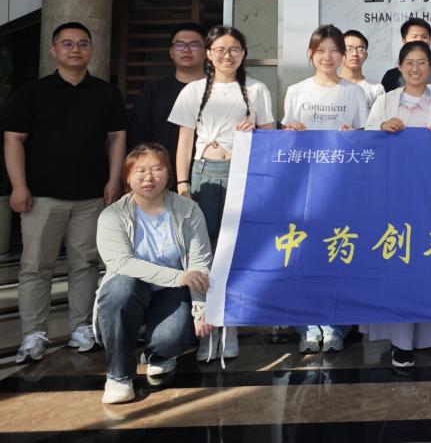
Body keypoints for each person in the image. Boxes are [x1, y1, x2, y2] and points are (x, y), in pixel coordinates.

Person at [3, 22, 128, 364]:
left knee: (85, 264)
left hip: (92, 196)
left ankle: (80, 327)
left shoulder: (106, 93)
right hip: (41, 196)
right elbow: (13, 139)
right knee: (35, 266)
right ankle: (33, 333)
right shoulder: (31, 93)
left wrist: (114, 180)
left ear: (91, 49)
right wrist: (19, 186)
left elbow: (117, 137)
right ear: (54, 49)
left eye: (83, 43)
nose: (76, 49)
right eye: (68, 43)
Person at [169, 25, 275, 361]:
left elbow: (271, 139)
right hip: (203, 174)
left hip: (242, 173)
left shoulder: (256, 89)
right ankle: (205, 326)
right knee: (204, 252)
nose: (227, 56)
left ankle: (230, 327)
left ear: (243, 54)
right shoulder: (194, 90)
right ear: (209, 54)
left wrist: (254, 131)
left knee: (235, 251)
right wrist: (182, 184)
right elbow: (185, 142)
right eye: (219, 49)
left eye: (234, 49)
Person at [94, 144, 213, 403]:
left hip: (171, 291)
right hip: (132, 286)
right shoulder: (112, 215)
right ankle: (118, 377)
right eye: (140, 171)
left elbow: (199, 263)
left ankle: (157, 354)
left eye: (157, 169)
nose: (149, 177)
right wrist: (179, 277)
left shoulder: (188, 210)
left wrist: (201, 308)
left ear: (168, 173)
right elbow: (122, 263)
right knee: (119, 289)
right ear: (127, 177)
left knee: (172, 338)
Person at [363, 41, 431, 367]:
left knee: (427, 263)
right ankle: (400, 343)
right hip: (392, 196)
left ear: (430, 67)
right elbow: (367, 144)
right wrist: (381, 129)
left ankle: (428, 336)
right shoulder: (384, 102)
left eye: (422, 63)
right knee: (397, 264)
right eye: (409, 63)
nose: (416, 69)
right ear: (400, 67)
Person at [282, 24, 367, 354]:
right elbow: (285, 141)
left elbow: (366, 142)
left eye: (335, 51)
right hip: (304, 186)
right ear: (311, 54)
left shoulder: (354, 93)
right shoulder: (296, 91)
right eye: (321, 51)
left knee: (339, 253)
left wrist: (353, 136)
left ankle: (336, 326)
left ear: (343, 55)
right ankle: (306, 325)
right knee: (303, 256)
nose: (328, 57)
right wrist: (292, 131)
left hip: (342, 186)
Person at [127, 22, 207, 187]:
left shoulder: (218, 90)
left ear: (207, 52)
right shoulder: (153, 90)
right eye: (180, 45)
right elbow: (138, 137)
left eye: (194, 45)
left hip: (209, 176)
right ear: (171, 52)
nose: (186, 50)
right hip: (159, 177)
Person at [380, 19, 431, 92]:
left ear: (430, 40)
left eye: (424, 37)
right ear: (404, 40)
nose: (419, 40)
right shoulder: (391, 76)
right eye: (414, 37)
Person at [340, 29, 385, 114]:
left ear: (366, 55)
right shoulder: (330, 85)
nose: (355, 54)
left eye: (360, 49)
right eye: (349, 49)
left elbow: (381, 119)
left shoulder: (376, 88)